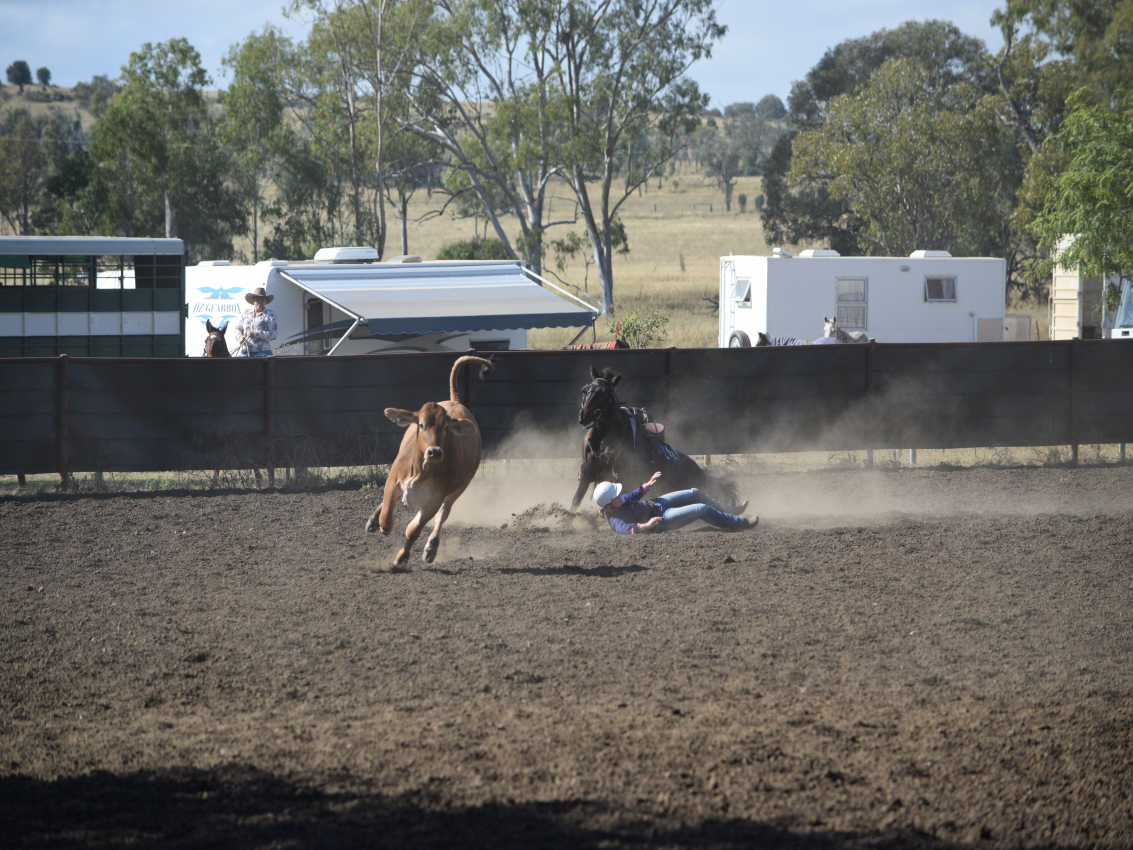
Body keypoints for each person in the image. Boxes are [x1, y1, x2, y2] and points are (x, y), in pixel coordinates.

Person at [594, 471, 757, 535]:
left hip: (657, 503)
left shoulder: (619, 500)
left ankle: (732, 510)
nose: (620, 496)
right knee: (701, 509)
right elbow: (627, 529)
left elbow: (633, 494)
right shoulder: (615, 521)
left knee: (695, 492)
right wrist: (647, 525)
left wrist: (647, 485)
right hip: (661, 519)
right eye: (616, 496)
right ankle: (741, 523)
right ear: (608, 506)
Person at [233, 286, 278, 357]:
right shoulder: (246, 313)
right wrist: (240, 337)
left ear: (265, 301)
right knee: (235, 363)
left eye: (262, 299)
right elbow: (237, 328)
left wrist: (256, 333)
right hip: (245, 351)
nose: (259, 301)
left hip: (262, 351)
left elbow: (273, 334)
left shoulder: (270, 315)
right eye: (257, 299)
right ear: (253, 301)